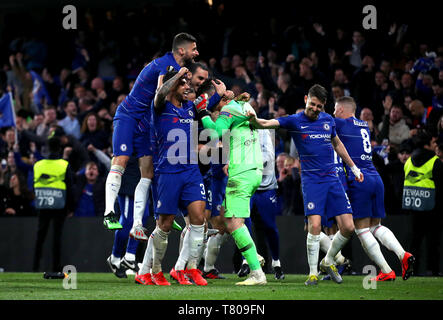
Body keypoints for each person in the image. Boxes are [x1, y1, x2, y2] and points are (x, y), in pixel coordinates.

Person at [247, 84, 364, 286]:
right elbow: (268, 123)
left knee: (348, 227)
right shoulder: (295, 120)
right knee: (315, 226)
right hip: (311, 181)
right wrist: (254, 121)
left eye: (319, 106)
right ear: (305, 100)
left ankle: (328, 261)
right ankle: (312, 273)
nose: (315, 109)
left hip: (332, 179)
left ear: (324, 105)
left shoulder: (328, 120)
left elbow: (337, 144)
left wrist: (353, 167)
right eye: (312, 104)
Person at [104, 33, 199, 232]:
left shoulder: (175, 68)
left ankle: (146, 220)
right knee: (121, 159)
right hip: (129, 115)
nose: (196, 52)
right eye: (194, 48)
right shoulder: (163, 65)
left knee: (148, 171)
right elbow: (160, 93)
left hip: (146, 122)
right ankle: (109, 212)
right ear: (182, 50)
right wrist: (180, 77)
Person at [136, 67, 207, 286]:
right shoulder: (160, 107)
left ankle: (192, 268)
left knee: (198, 219)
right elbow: (159, 93)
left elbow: (208, 102)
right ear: (172, 86)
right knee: (164, 225)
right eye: (183, 83)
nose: (187, 87)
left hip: (191, 171)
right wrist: (176, 75)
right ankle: (154, 270)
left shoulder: (188, 108)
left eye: (188, 83)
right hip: (167, 172)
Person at [334, 96, 415, 281]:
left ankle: (386, 270)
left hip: (359, 178)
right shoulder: (364, 125)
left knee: (361, 230)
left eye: (334, 110)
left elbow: (319, 122)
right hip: (375, 177)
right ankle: (403, 255)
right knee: (376, 226)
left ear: (340, 110)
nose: (333, 113)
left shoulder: (340, 123)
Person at [197, 88, 267, 286]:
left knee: (233, 222)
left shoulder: (229, 109)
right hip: (252, 169)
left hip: (242, 172)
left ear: (223, 99)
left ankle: (256, 270)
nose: (218, 91)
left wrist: (202, 111)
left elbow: (215, 132)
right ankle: (254, 260)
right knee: (229, 219)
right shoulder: (244, 106)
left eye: (218, 90)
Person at [402, 130, 442, 276]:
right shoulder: (435, 161)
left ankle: (412, 271)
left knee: (415, 242)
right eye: (432, 142)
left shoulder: (408, 161)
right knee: (433, 242)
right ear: (427, 145)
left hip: (414, 206)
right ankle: (434, 271)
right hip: (433, 208)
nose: (434, 145)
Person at [32, 136, 74, 272]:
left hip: (43, 203)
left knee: (40, 237)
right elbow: (70, 187)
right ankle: (56, 267)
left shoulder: (38, 165)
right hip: (59, 204)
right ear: (60, 148)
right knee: (57, 237)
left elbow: (33, 185)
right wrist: (71, 207)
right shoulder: (64, 164)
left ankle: (34, 267)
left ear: (48, 148)